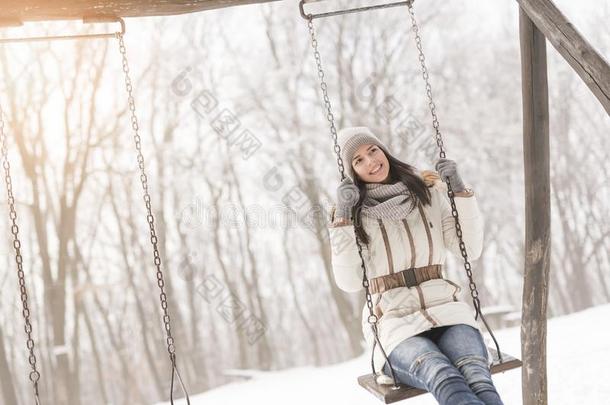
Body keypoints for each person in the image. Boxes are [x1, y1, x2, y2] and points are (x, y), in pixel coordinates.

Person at [327, 127, 503, 405]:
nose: (371, 162)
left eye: (372, 150)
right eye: (358, 160)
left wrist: (458, 191)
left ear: (384, 151)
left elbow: (468, 249)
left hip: (448, 311)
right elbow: (349, 281)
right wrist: (345, 219)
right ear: (352, 171)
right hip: (393, 323)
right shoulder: (352, 214)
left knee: (477, 376)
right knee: (443, 375)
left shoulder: (427, 192)